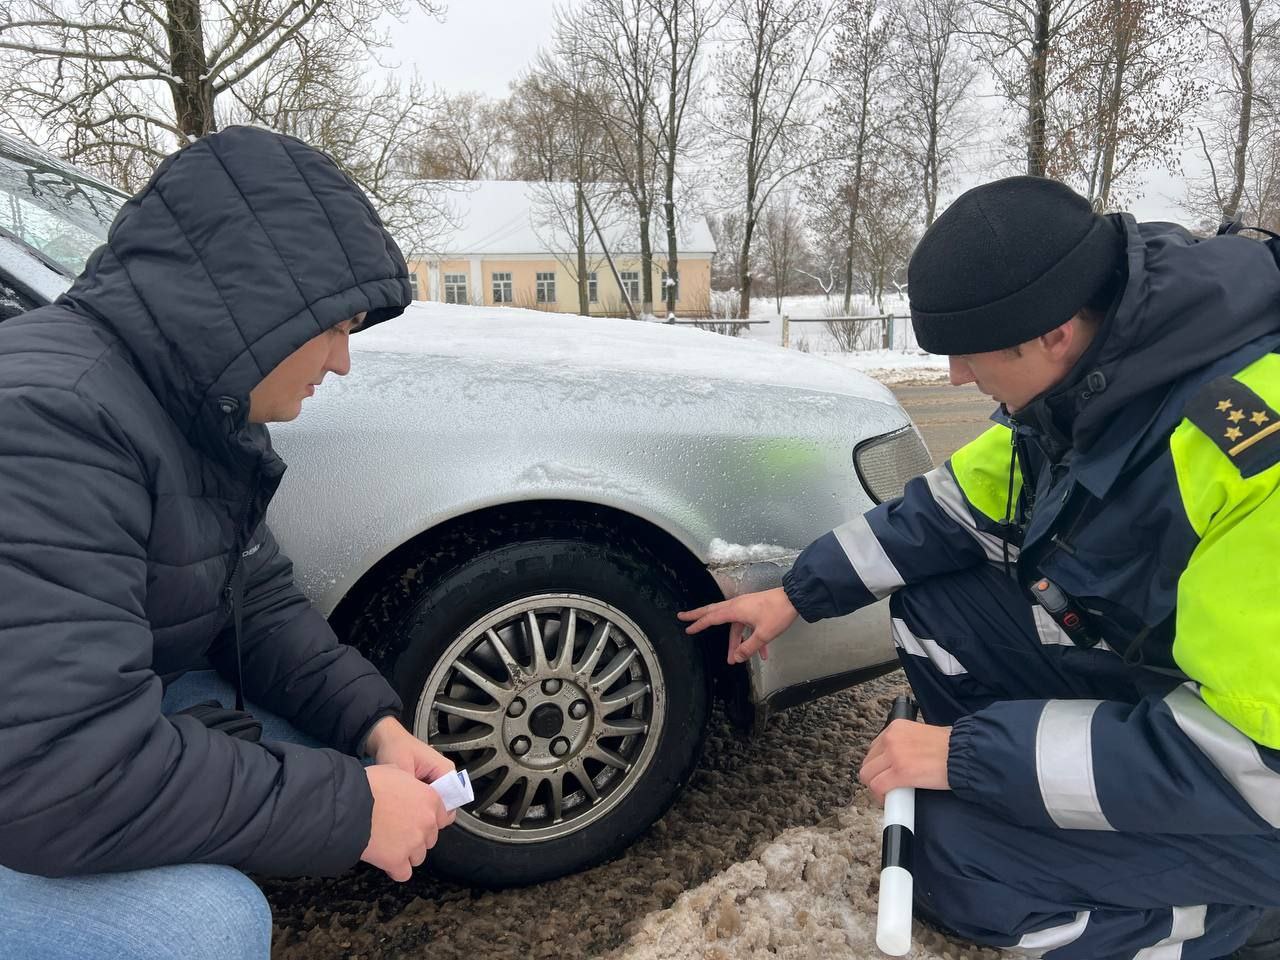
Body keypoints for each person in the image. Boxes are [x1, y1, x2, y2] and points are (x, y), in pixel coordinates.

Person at [681, 176, 1280, 960]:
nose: (958, 377)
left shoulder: (1254, 459)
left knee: (958, 870)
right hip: (1177, 687)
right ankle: (1043, 813)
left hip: (1252, 777)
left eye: (968, 352)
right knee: (935, 607)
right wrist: (794, 594)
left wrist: (972, 756)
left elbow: (1250, 757)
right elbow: (950, 509)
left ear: (1055, 332)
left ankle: (1246, 918)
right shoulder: (1098, 382)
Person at [0, 126, 455, 960]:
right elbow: (60, 776)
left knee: (315, 751)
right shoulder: (47, 419)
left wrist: (374, 730)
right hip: (37, 773)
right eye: (335, 327)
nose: (343, 362)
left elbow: (259, 600)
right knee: (204, 926)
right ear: (257, 308)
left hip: (64, 732)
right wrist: (352, 809)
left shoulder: (188, 405)